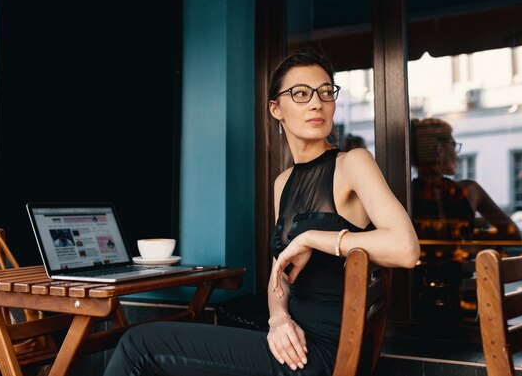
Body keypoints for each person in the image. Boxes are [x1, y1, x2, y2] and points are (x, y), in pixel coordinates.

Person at [102, 49, 419, 376]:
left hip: (321, 355)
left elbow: (406, 249)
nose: (316, 103)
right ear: (275, 108)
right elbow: (277, 277)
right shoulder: (283, 183)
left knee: (138, 345)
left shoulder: (352, 163)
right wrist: (278, 318)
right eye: (301, 93)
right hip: (290, 341)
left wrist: (311, 238)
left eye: (326, 92)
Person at [411, 118, 522, 239]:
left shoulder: (403, 193)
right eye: (453, 145)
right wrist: (468, 235)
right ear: (439, 150)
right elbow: (514, 235)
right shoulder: (469, 191)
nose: (456, 154)